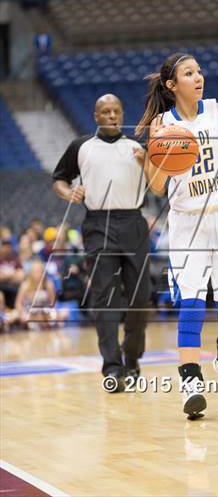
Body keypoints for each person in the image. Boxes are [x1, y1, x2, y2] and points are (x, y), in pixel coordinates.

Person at [135, 52, 218, 418]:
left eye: (199, 71)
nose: (198, 77)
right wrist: (158, 155)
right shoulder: (162, 125)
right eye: (188, 73)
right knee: (191, 303)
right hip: (188, 222)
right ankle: (190, 379)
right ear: (171, 85)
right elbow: (158, 187)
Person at [53, 94, 151, 392]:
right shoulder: (80, 147)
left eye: (116, 111)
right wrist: (67, 192)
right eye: (105, 111)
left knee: (140, 298)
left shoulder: (138, 147)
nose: (111, 116)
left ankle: (131, 359)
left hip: (134, 222)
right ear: (95, 116)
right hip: (98, 224)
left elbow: (160, 184)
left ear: (122, 114)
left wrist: (148, 164)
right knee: (104, 297)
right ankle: (112, 368)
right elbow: (59, 178)